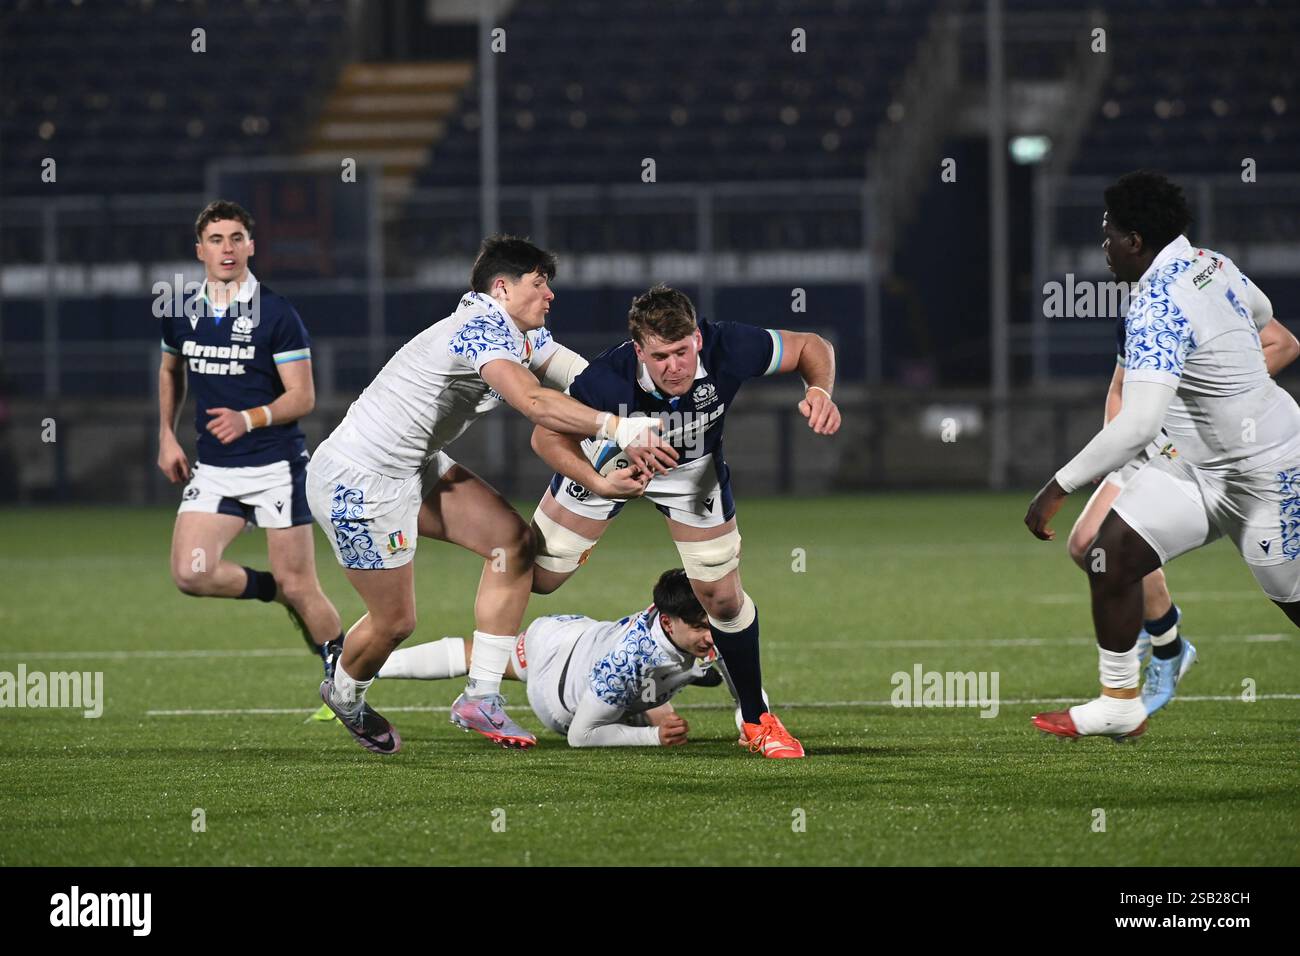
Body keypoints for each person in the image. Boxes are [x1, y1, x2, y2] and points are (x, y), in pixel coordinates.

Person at [308, 236, 675, 755]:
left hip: (413, 466)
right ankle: (345, 695)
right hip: (358, 482)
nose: (550, 295)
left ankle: (480, 697)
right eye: (539, 283)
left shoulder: (519, 330)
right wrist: (620, 428)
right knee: (395, 623)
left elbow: (578, 377)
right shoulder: (479, 327)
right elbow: (532, 401)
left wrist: (649, 394)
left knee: (513, 543)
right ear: (502, 287)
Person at [1025, 170, 1300, 740]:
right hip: (1196, 473)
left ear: (1134, 241)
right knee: (1110, 556)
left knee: (1294, 602)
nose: (1102, 247)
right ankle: (1120, 701)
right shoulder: (1212, 263)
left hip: (1268, 474)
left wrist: (1056, 488)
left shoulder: (1156, 302)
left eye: (1108, 235)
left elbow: (1139, 423)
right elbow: (1266, 322)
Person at [526, 284, 841, 758]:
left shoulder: (729, 345)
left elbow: (811, 346)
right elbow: (546, 438)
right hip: (609, 461)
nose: (675, 366)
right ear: (639, 352)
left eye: (682, 350)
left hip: (690, 473)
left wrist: (818, 390)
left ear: (697, 337)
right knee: (536, 576)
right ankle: (488, 676)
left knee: (722, 598)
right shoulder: (609, 379)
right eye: (660, 357)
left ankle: (755, 718)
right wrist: (601, 482)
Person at [158, 200, 344, 699]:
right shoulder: (181, 311)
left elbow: (303, 397)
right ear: (199, 249)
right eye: (216, 239)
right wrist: (166, 434)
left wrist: (248, 418)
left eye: (236, 238)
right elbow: (170, 369)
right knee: (190, 573)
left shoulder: (277, 314)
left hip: (275, 468)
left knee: (305, 587)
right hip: (215, 470)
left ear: (251, 246)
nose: (227, 248)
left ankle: (347, 686)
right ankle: (274, 591)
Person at [377, 569, 725, 748]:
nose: (711, 635)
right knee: (484, 657)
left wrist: (750, 721)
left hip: (581, 637)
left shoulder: (708, 617)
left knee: (482, 658)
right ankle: (365, 667)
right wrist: (653, 738)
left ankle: (362, 668)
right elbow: (580, 736)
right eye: (698, 628)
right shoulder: (626, 661)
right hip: (558, 696)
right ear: (667, 620)